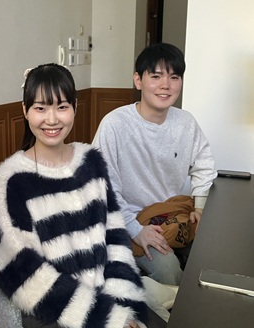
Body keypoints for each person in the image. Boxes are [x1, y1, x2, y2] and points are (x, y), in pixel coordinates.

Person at [0, 63, 162, 328]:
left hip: (105, 294)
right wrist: (107, 318)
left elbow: (115, 238)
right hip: (53, 314)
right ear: (25, 110)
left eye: (62, 107)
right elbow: (20, 271)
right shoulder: (11, 180)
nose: (52, 119)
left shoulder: (91, 161)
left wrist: (125, 302)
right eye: (40, 108)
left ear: (75, 107)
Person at [92, 43, 217, 286]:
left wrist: (200, 206)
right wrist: (136, 230)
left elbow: (204, 164)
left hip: (172, 216)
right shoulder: (115, 125)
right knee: (169, 271)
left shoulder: (186, 122)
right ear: (138, 80)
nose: (165, 85)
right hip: (130, 221)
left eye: (174, 77)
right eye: (156, 76)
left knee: (214, 253)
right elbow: (103, 188)